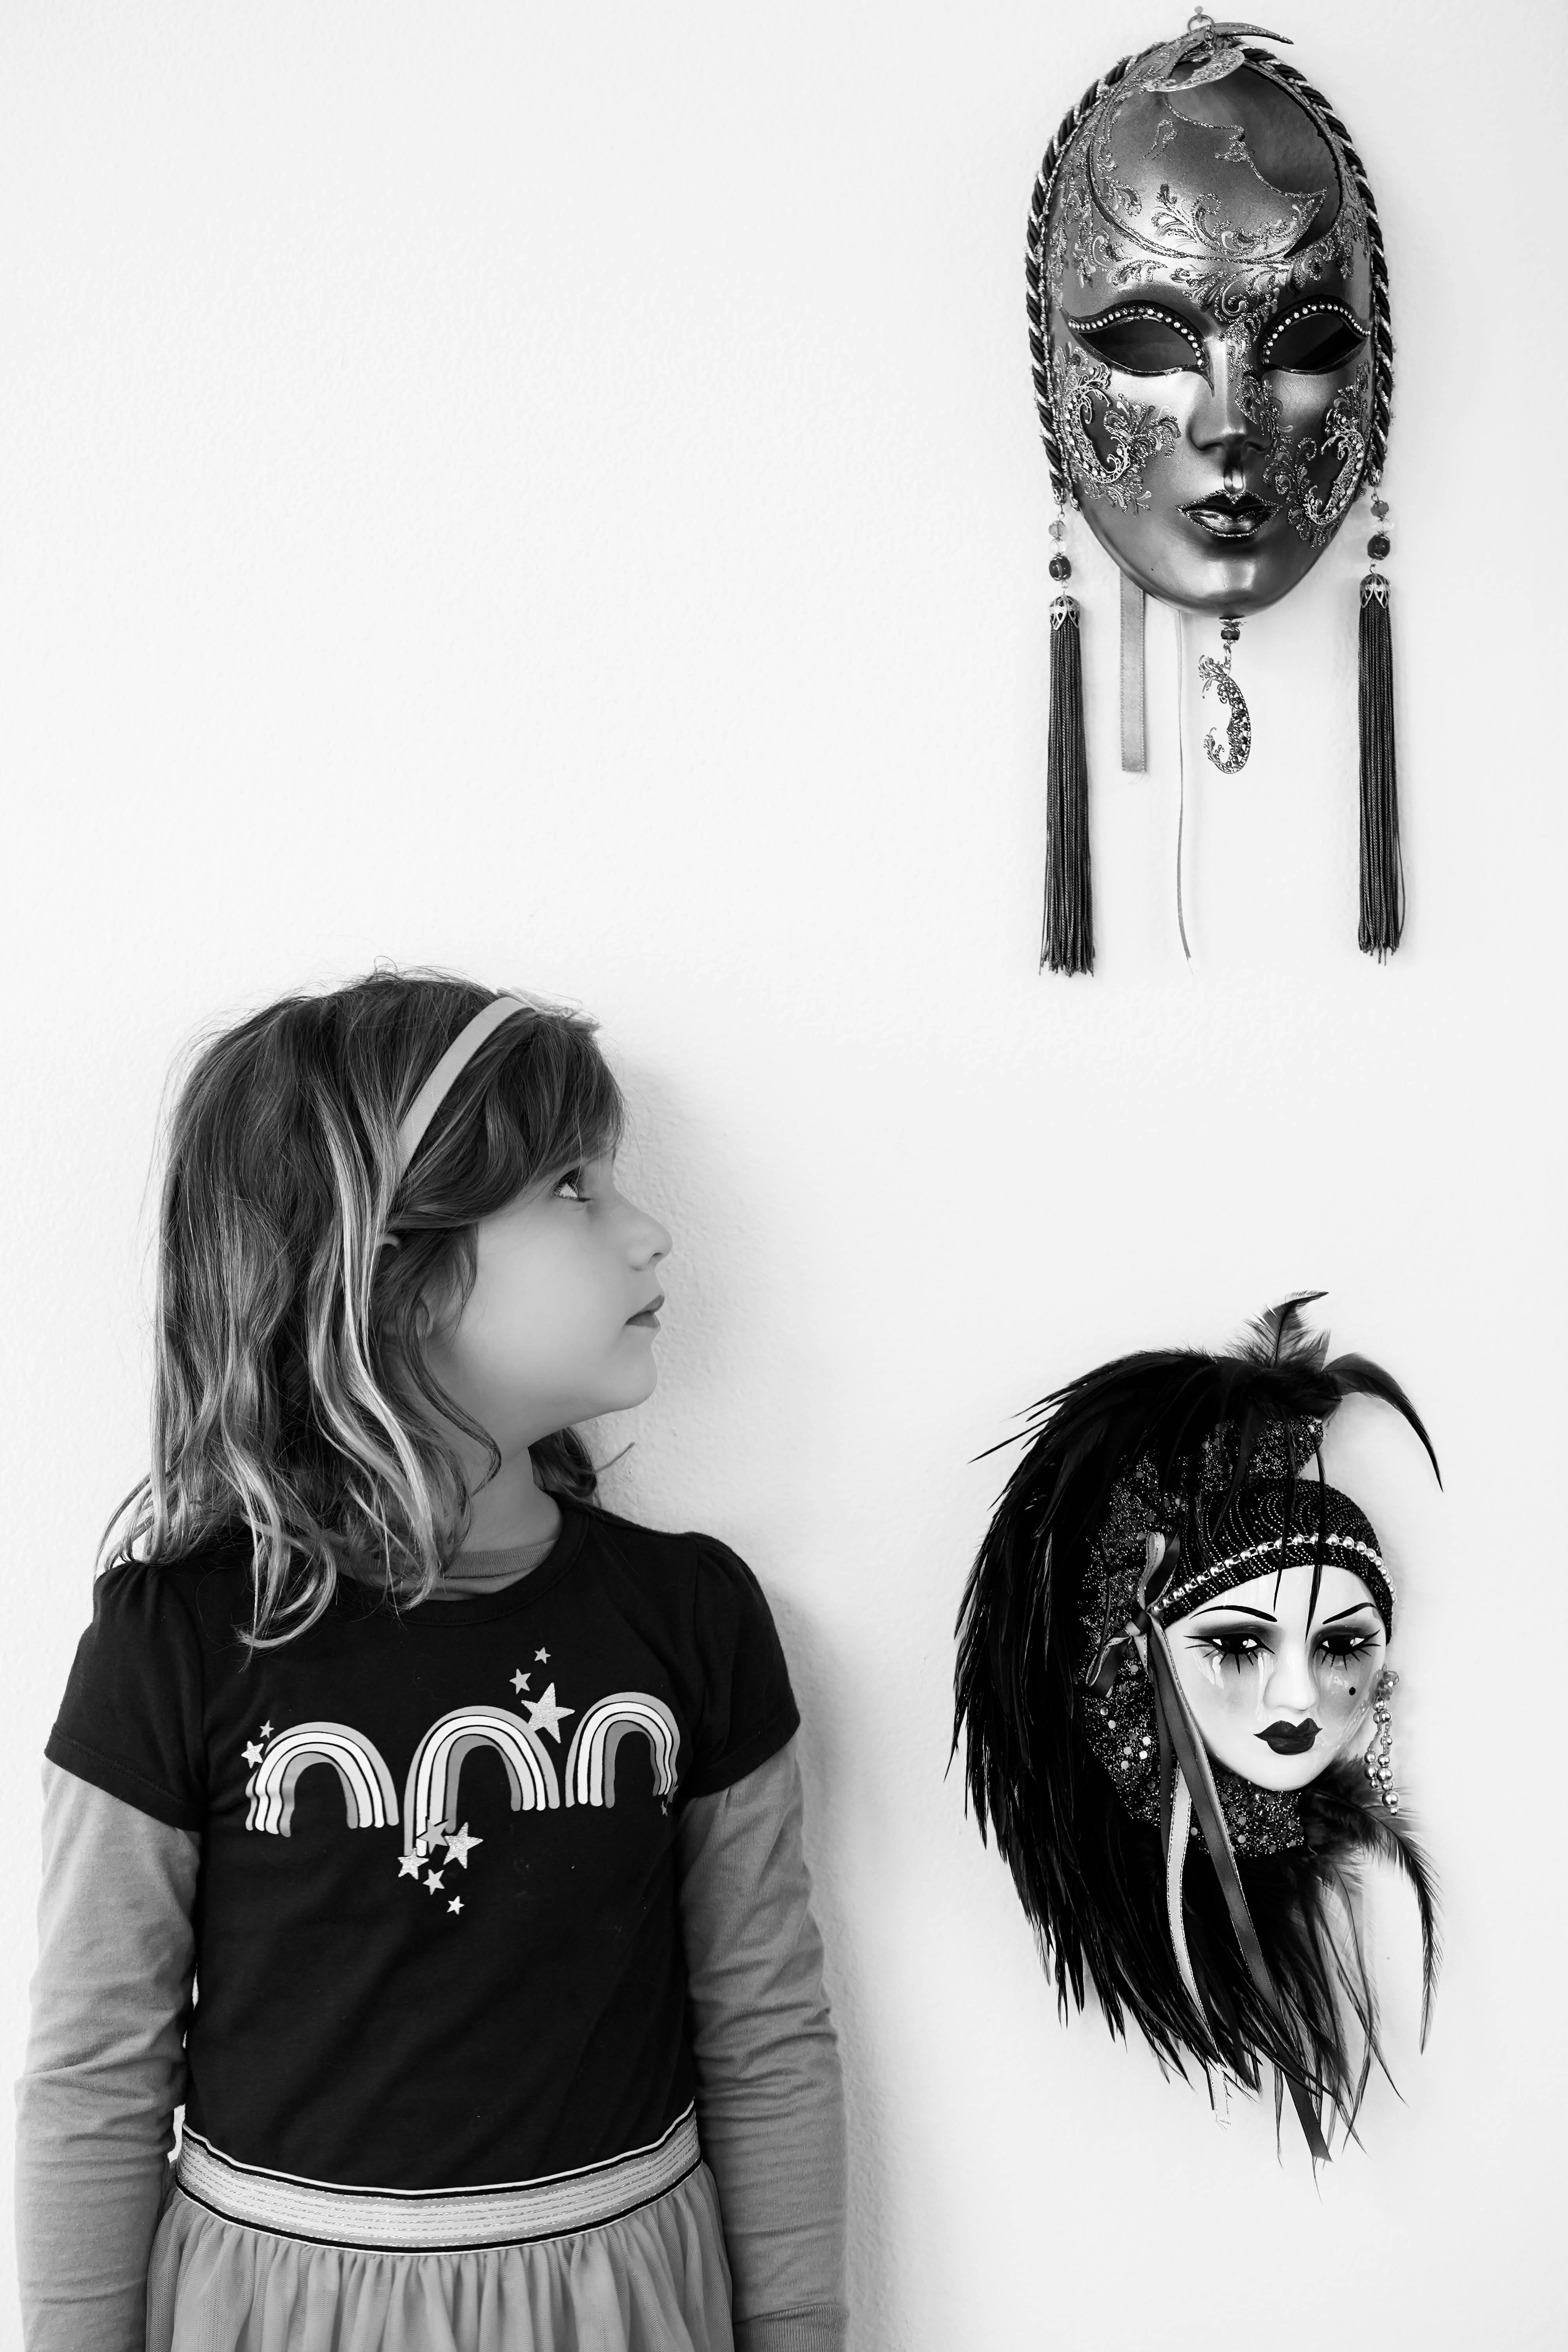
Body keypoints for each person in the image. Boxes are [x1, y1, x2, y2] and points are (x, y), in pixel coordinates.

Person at [15, 972, 847, 2352]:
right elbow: (95, 2075)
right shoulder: (174, 1645)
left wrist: (804, 2326)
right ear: (389, 1271)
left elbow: (764, 2027)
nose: (650, 1237)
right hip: (278, 2316)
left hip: (627, 2307)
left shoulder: (695, 1618)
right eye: (575, 1191)